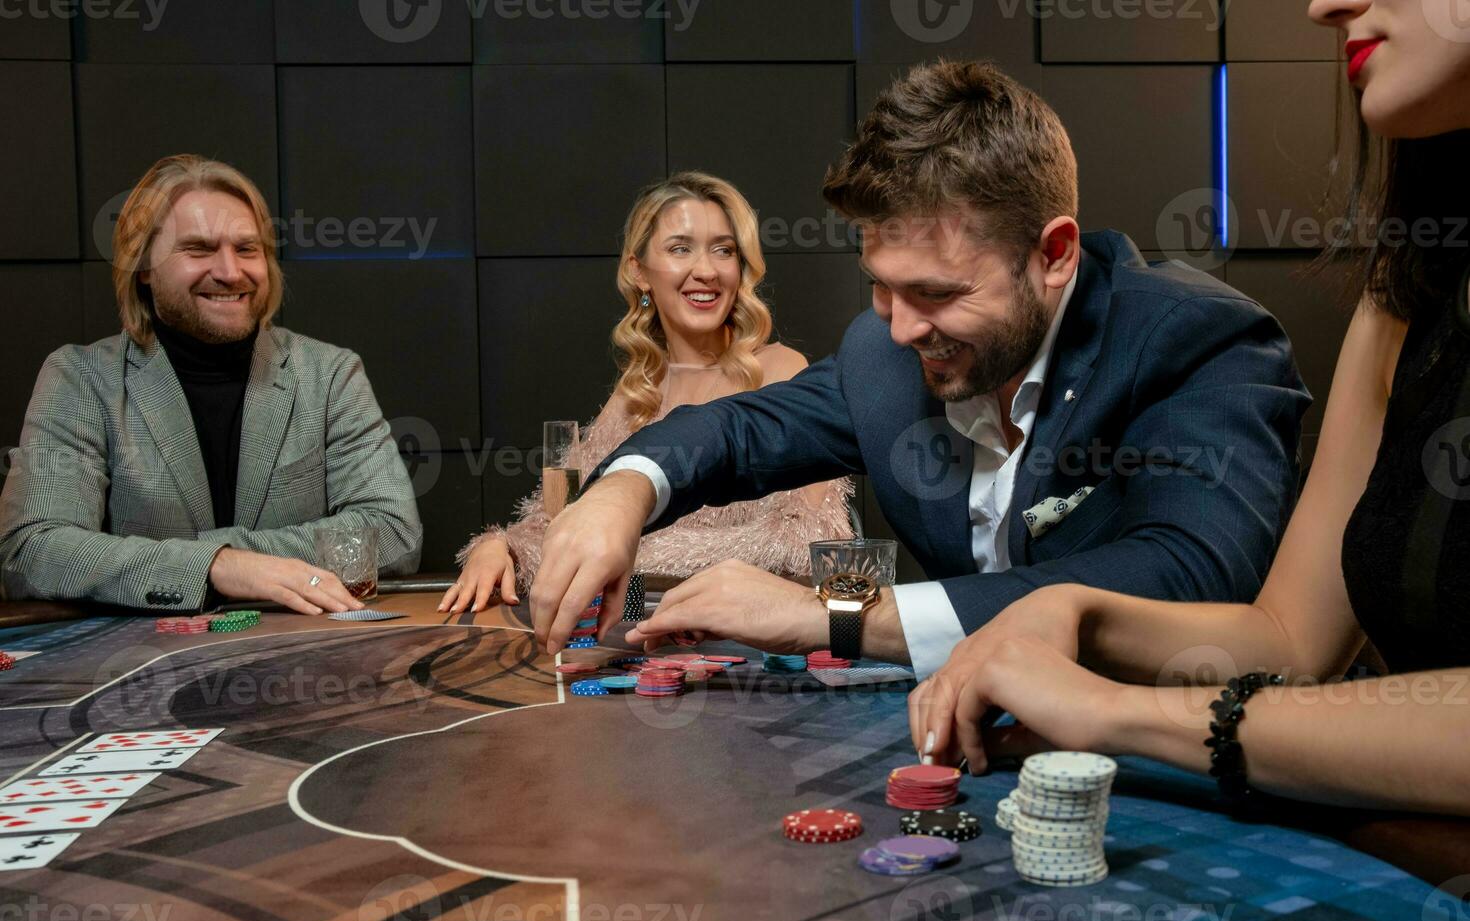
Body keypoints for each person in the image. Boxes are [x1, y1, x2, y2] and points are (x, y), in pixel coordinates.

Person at [528, 61, 1310, 671]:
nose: (901, 329)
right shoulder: (885, 354)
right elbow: (740, 428)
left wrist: (840, 617)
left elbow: (1193, 576)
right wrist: (624, 492)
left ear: (1055, 254)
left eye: (935, 293)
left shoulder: (1196, 340)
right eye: (881, 287)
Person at [911, 0, 1470, 817]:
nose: (1324, 7)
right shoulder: (1403, 299)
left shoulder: (1193, 336)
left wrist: (1118, 713)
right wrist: (1077, 610)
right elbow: (1291, 642)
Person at [0, 155, 422, 616]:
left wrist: (231, 559)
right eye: (198, 249)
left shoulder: (330, 374)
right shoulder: (80, 380)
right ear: (142, 267)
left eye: (247, 249)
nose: (229, 271)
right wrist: (218, 567)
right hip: (143, 672)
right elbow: (31, 551)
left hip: (304, 664)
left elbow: (392, 532)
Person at [439, 172, 851, 614]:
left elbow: (808, 544)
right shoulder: (638, 387)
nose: (707, 270)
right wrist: (503, 548)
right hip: (640, 636)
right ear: (639, 272)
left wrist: (624, 544)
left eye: (724, 250)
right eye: (680, 248)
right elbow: (562, 520)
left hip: (746, 650)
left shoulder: (779, 369)